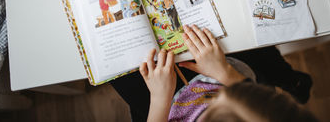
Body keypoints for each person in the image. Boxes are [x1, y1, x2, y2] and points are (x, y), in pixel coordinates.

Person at [112, 25, 314, 121]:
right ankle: (293, 82)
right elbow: (253, 94)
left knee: (119, 69)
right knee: (261, 54)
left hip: (164, 107)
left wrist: (159, 98)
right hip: (231, 75)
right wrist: (226, 74)